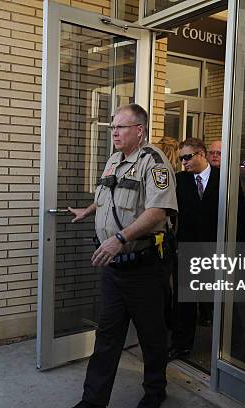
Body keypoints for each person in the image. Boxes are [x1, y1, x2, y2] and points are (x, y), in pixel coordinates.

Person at [68, 104, 177, 408]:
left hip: (144, 267)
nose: (114, 132)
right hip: (114, 270)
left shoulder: (153, 162)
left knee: (151, 337)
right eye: (112, 127)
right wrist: (88, 210)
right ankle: (92, 401)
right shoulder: (114, 160)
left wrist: (120, 238)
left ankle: (155, 393)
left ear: (139, 130)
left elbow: (159, 211)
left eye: (121, 127)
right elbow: (109, 195)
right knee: (107, 338)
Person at [168, 138, 220, 361]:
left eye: (187, 157)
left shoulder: (224, 180)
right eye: (181, 159)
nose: (184, 163)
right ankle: (181, 345)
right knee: (184, 302)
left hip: (217, 250)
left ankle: (226, 347)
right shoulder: (179, 181)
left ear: (202, 154)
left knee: (218, 299)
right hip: (187, 249)